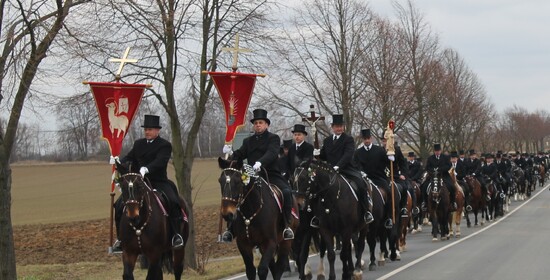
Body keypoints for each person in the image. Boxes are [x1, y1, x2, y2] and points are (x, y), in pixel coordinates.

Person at [111, 114, 184, 253]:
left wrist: (147, 168)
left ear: (157, 131)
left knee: (173, 201)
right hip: (140, 183)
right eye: (145, 129)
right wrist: (117, 161)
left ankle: (176, 235)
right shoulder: (138, 144)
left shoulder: (165, 145)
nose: (147, 132)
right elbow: (129, 157)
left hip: (159, 181)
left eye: (150, 129)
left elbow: (160, 161)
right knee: (119, 204)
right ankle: (120, 239)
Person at [221, 109, 295, 242]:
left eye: (260, 122)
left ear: (266, 125)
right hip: (251, 176)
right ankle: (231, 229)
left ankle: (286, 225)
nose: (258, 125)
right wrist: (230, 153)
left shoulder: (273, 138)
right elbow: (239, 155)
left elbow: (272, 153)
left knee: (286, 192)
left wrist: (260, 162)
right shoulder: (248, 141)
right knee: (234, 193)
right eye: (256, 123)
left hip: (270, 174)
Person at [313, 116, 374, 227]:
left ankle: (366, 212)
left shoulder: (348, 139)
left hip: (347, 169)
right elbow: (324, 156)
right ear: (332, 127)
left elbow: (348, 155)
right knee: (317, 187)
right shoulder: (327, 141)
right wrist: (317, 154)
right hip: (330, 171)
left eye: (341, 126)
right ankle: (317, 216)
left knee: (361, 184)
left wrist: (338, 166)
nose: (339, 128)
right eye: (337, 126)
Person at [353, 128, 392, 228]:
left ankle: (388, 217)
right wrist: (361, 172)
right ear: (362, 139)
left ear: (372, 138)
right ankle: (363, 214)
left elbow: (386, 164)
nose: (366, 141)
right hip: (364, 179)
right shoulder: (357, 152)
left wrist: (390, 158)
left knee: (388, 191)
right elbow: (356, 165)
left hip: (378, 178)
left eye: (368, 138)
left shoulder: (379, 150)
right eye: (365, 139)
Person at [423, 143, 456, 211]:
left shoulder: (445, 157)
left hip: (444, 175)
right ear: (434, 151)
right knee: (424, 186)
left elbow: (448, 165)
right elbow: (427, 167)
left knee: (452, 186)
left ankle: (453, 202)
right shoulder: (430, 158)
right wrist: (433, 171)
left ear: (440, 151)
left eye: (438, 151)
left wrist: (439, 170)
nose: (437, 152)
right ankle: (425, 203)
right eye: (436, 151)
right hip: (432, 176)